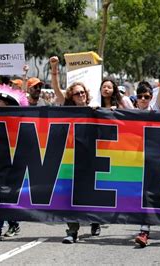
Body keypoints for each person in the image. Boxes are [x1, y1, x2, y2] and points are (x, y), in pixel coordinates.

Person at [49, 56, 101, 243]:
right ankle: (72, 231)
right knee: (70, 194)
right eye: (77, 94)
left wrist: (96, 112)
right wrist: (54, 68)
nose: (81, 96)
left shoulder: (94, 109)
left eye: (83, 93)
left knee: (89, 193)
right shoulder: (67, 109)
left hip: (89, 158)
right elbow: (55, 88)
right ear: (71, 97)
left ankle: (95, 220)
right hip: (69, 158)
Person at [0, 84, 28, 243]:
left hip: (16, 161)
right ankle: (1, 228)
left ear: (8, 106)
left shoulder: (18, 119)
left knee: (5, 194)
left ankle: (4, 226)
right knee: (1, 194)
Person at [134, 60, 160, 248]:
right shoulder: (128, 114)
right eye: (140, 96)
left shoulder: (154, 110)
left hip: (153, 160)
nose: (143, 99)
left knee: (149, 193)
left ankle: (144, 230)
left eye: (147, 96)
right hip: (132, 160)